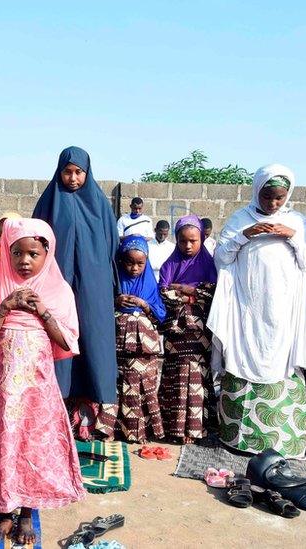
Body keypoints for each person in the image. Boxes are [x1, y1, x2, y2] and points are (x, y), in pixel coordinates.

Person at [0, 218, 84, 545]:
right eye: (17, 253)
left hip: (37, 388)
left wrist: (43, 312)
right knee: (4, 441)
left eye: (33, 254)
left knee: (33, 443)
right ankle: (4, 513)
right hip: (2, 388)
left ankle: (27, 511)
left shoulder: (58, 290)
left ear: (48, 253)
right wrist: (5, 307)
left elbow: (67, 340)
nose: (25, 261)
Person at [208, 165, 306, 458]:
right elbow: (221, 257)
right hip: (248, 310)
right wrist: (244, 235)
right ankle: (238, 438)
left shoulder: (297, 221)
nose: (273, 204)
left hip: (284, 313)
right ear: (256, 190)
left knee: (282, 365)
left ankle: (281, 442)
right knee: (242, 360)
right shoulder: (240, 219)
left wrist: (291, 236)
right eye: (267, 196)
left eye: (279, 198)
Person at [33, 147, 119, 439]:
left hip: (93, 288)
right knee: (59, 340)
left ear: (87, 172)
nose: (72, 178)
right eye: (66, 172)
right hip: (56, 287)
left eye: (78, 172)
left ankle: (90, 420)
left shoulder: (100, 205)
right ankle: (56, 416)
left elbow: (111, 248)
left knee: (93, 340)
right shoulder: (49, 203)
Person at [95, 235, 167, 443]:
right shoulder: (113, 282)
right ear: (120, 260)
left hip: (144, 351)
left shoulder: (150, 286)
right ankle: (111, 430)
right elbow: (99, 309)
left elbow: (161, 315)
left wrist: (144, 304)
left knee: (140, 390)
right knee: (117, 387)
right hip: (118, 349)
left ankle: (137, 432)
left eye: (140, 264)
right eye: (129, 262)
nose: (134, 268)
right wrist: (116, 301)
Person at [158, 215, 218, 444]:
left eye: (194, 240)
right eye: (183, 241)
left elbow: (212, 293)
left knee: (196, 376)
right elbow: (164, 294)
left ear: (202, 238)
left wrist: (183, 289)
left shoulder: (209, 265)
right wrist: (194, 293)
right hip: (175, 332)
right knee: (175, 374)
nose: (188, 246)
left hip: (199, 334)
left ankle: (195, 429)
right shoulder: (169, 265)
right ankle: (173, 427)